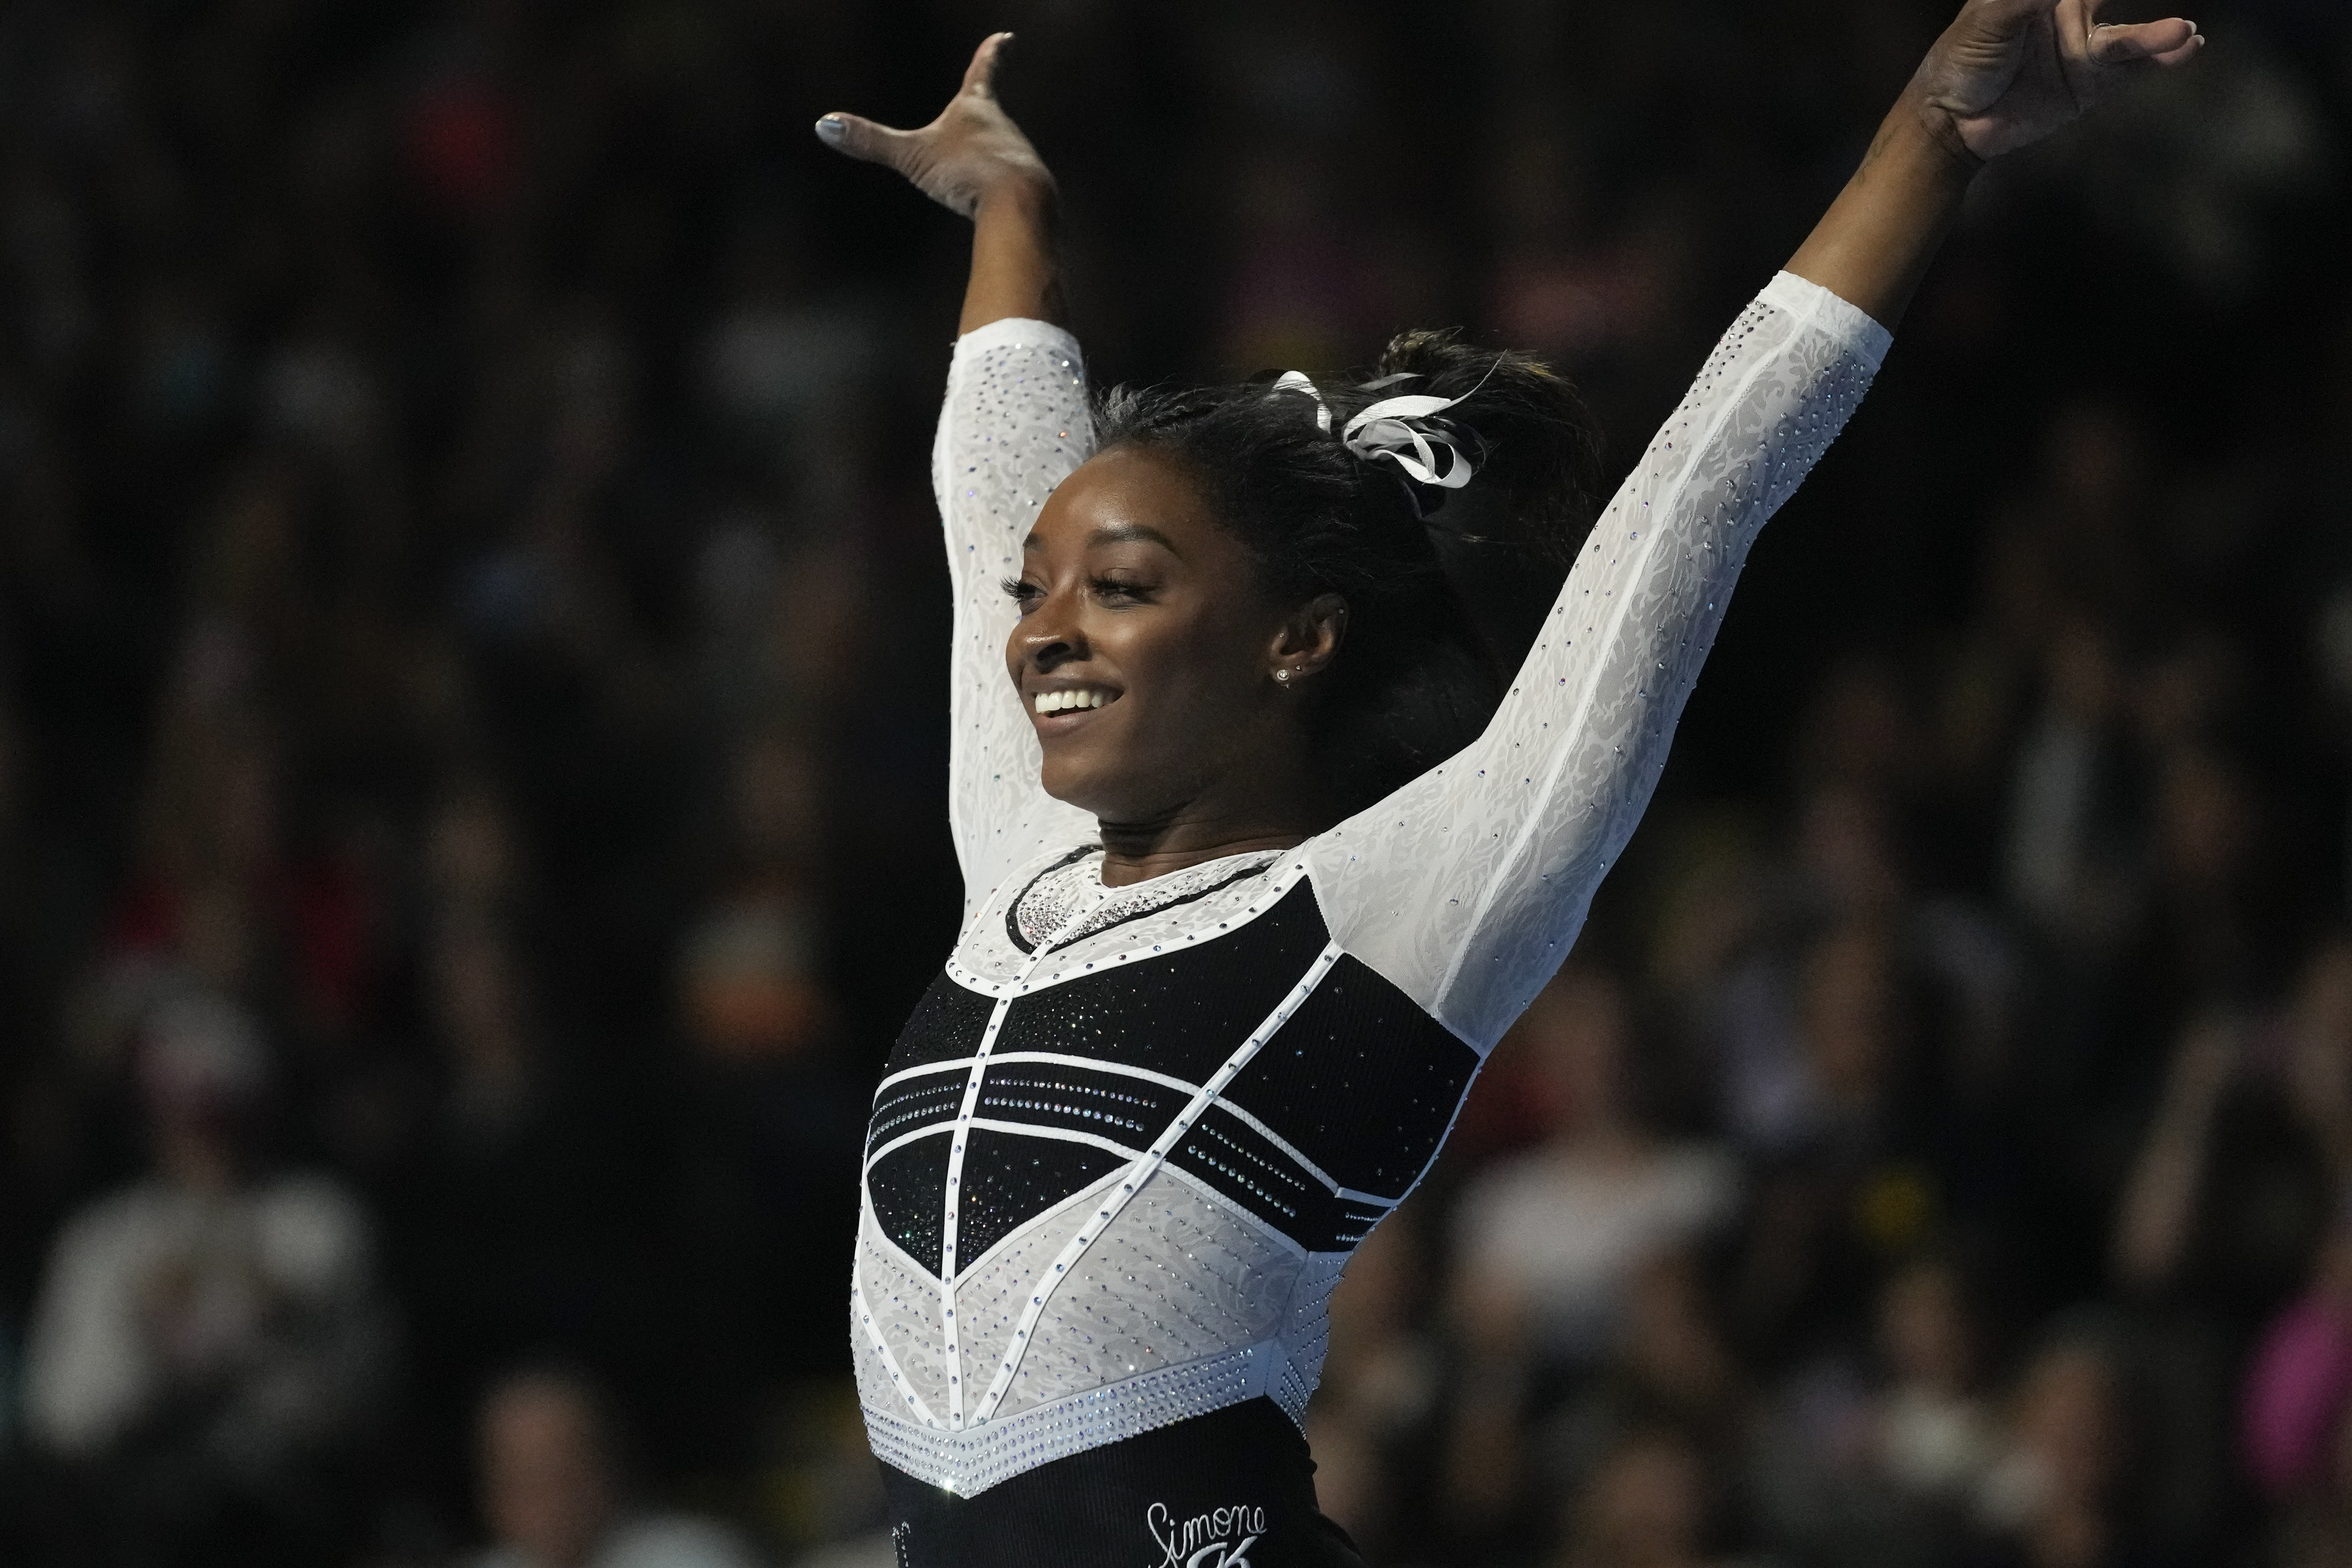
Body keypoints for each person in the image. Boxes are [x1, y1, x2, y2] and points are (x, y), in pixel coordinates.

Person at [812, 5, 2203, 1564]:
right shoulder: (1021, 847)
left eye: (1120, 585)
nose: (1045, 629)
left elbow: (1693, 500)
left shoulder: (1392, 911)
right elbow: (987, 473)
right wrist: (1013, 209)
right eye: (1040, 590)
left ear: (1294, 642)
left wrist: (1930, 141)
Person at [468, 1366, 763, 1568]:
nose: (551, 1502)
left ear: (607, 1472)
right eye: (525, 1478)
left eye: (563, 1473)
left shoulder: (694, 1556)